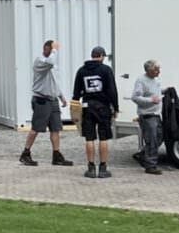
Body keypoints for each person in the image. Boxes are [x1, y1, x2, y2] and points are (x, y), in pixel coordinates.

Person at [19, 39, 73, 167]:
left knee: (55, 128)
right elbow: (50, 62)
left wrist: (61, 96)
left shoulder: (51, 65)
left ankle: (56, 155)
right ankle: (25, 153)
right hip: (41, 100)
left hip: (53, 100)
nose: (54, 51)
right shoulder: (40, 61)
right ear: (46, 48)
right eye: (52, 48)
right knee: (36, 128)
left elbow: (54, 82)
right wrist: (54, 50)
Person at [72, 46, 120, 179]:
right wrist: (115, 107)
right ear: (101, 56)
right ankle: (103, 168)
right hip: (103, 107)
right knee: (103, 138)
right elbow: (112, 91)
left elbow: (76, 93)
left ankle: (91, 168)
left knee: (89, 138)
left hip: (87, 107)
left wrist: (75, 110)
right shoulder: (106, 70)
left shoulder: (81, 71)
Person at [131, 59, 165, 174]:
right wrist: (151, 100)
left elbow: (155, 92)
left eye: (159, 69)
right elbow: (135, 97)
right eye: (156, 70)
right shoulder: (141, 80)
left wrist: (165, 91)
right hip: (147, 115)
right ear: (149, 70)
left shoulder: (155, 80)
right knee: (152, 140)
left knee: (159, 137)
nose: (159, 72)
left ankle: (142, 155)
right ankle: (150, 166)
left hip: (156, 114)